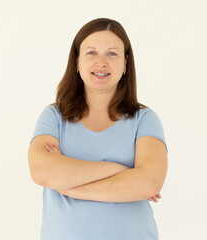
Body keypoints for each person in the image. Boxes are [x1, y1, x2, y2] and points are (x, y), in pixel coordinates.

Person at [28, 18, 168, 240]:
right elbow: (42, 171)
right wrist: (121, 170)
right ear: (76, 61)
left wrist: (69, 188)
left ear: (125, 63)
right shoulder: (54, 117)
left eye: (112, 54)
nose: (101, 62)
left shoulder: (145, 120)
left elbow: (150, 182)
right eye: (91, 52)